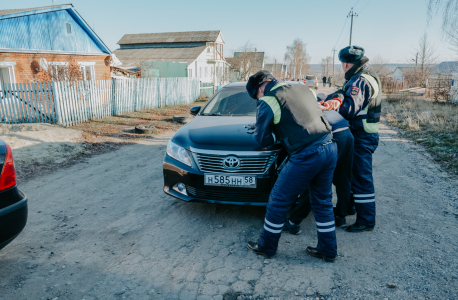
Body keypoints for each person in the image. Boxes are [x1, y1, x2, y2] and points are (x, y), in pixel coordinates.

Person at [245, 70, 338, 262]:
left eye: (257, 96)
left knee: (278, 200)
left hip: (307, 154)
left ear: (261, 88)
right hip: (329, 146)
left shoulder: (269, 100)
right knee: (322, 202)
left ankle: (266, 246)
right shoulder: (304, 89)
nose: (259, 99)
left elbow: (262, 139)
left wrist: (267, 131)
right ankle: (328, 250)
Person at [320, 46, 382, 232]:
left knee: (361, 178)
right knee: (355, 176)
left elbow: (349, 109)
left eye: (342, 65)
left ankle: (366, 220)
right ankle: (351, 208)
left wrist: (331, 105)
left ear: (346, 64)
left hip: (362, 135)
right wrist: (338, 96)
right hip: (364, 134)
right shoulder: (365, 76)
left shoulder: (360, 81)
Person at [284, 107, 354, 233]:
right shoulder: (321, 105)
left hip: (332, 135)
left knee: (314, 180)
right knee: (344, 178)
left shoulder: (302, 110)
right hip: (347, 133)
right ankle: (340, 217)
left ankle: (294, 221)